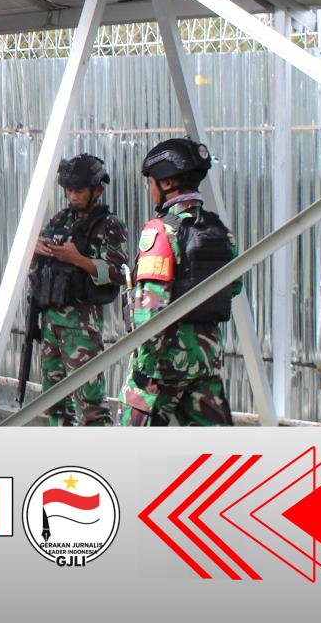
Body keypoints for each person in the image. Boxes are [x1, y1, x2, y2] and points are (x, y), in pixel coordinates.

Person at [121, 137, 240, 426]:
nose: (151, 190)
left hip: (162, 366)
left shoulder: (161, 231)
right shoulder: (219, 230)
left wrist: (143, 366)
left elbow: (150, 308)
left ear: (166, 183)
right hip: (205, 361)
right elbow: (234, 287)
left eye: (151, 183)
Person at [27, 154, 128, 426]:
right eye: (69, 190)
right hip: (50, 322)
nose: (73, 196)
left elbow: (119, 273)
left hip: (81, 326)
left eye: (79, 190)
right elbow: (34, 264)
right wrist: (34, 251)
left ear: (98, 189)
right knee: (54, 403)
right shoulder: (60, 220)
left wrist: (78, 260)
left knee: (90, 405)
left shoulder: (109, 225)